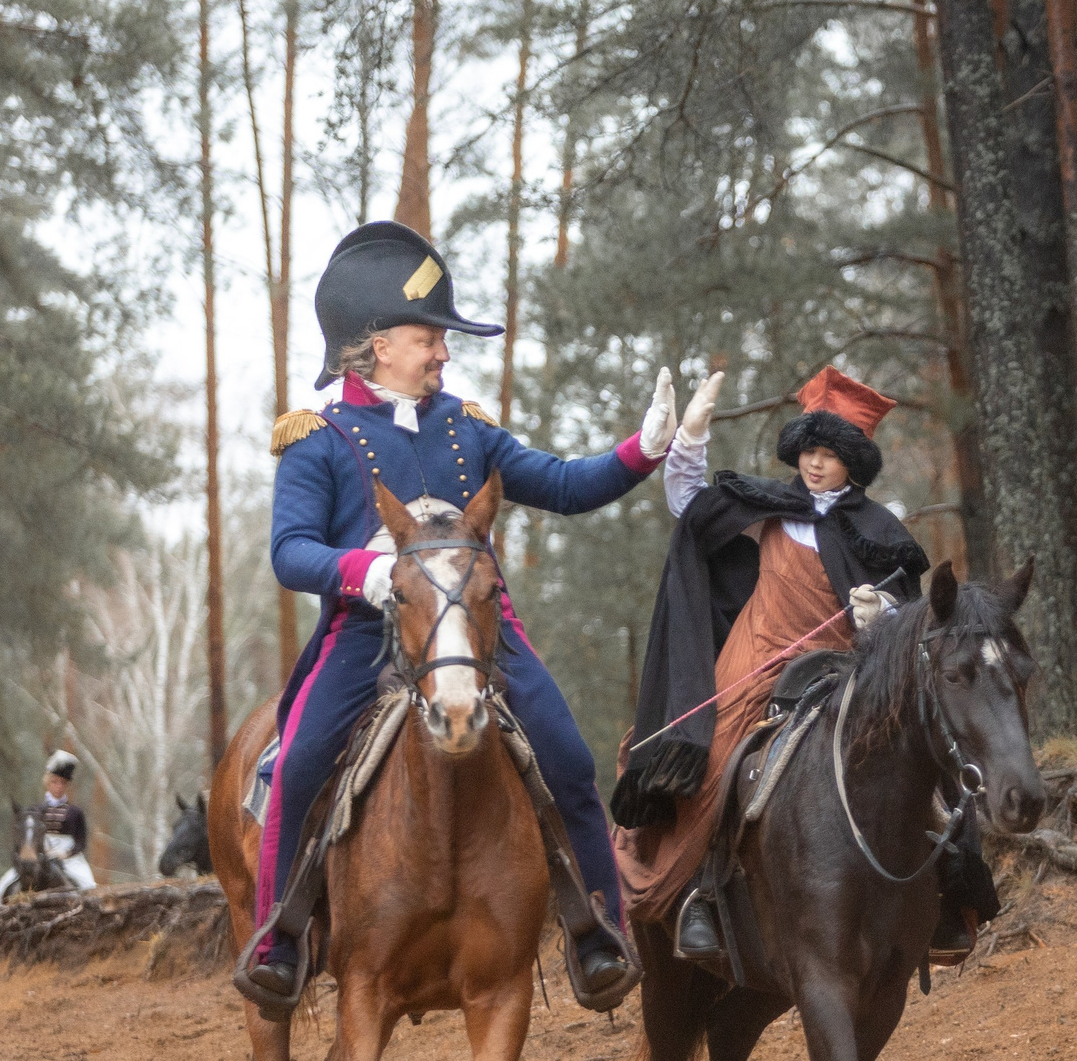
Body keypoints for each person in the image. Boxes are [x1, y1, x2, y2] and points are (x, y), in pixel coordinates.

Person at [245, 220, 718, 1009]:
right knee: (295, 766)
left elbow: (566, 486)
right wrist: (364, 571)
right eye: (429, 336)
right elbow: (290, 551)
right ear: (375, 344)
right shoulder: (318, 441)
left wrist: (645, 448)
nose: (442, 352)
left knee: (566, 756)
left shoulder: (466, 427)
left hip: (481, 636)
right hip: (365, 634)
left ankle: (597, 929)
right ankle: (280, 937)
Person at [614, 365, 976, 959]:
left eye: (830, 454)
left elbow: (914, 619)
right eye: (808, 449)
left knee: (925, 753)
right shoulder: (772, 507)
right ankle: (700, 896)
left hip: (845, 672)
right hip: (754, 662)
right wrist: (694, 434)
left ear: (853, 463)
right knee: (713, 759)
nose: (814, 463)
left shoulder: (879, 531)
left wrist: (879, 612)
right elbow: (690, 506)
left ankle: (945, 894)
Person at [0, 753, 96, 903]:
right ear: (47, 783)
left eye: (62, 783)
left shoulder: (75, 812)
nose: (58, 786)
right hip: (40, 855)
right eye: (54, 782)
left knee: (89, 886)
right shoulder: (35, 810)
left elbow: (82, 842)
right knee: (1, 888)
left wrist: (66, 853)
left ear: (67, 785)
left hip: (70, 859)